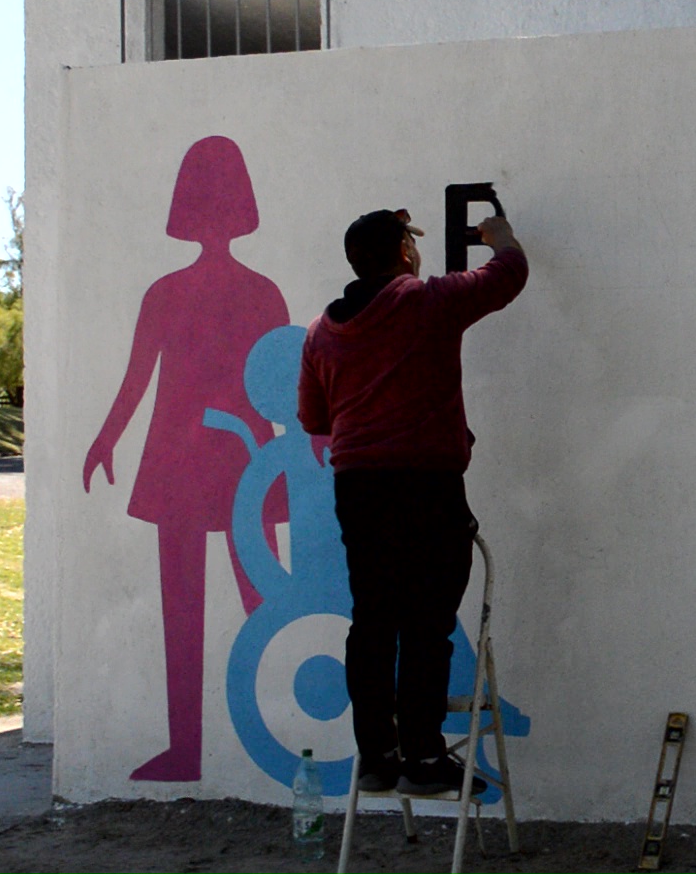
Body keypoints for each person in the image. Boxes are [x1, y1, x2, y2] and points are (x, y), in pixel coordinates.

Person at [298, 206, 527, 796]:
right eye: (410, 243)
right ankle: (425, 759)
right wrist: (500, 238)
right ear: (404, 250)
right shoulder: (427, 302)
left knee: (373, 620)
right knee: (427, 623)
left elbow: (314, 418)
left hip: (358, 487)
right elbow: (509, 275)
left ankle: (377, 755)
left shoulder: (323, 332)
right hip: (425, 484)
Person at [83, 135, 289, 784]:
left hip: (226, 460)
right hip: (213, 462)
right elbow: (138, 380)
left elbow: (280, 384)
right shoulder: (227, 293)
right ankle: (202, 749)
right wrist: (105, 437)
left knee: (259, 600)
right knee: (227, 601)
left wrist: (295, 456)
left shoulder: (230, 294)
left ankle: (266, 738)